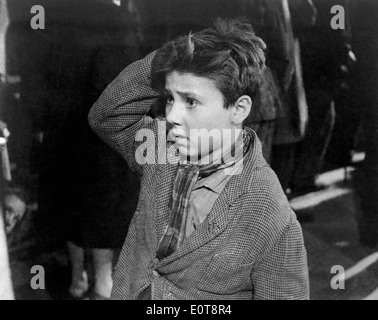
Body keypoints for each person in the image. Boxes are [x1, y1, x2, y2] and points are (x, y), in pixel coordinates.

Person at [89, 18, 309, 300]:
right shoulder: (161, 149)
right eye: (170, 98)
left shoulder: (269, 213)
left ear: (239, 109)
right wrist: (165, 58)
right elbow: (106, 115)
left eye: (191, 102)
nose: (172, 116)